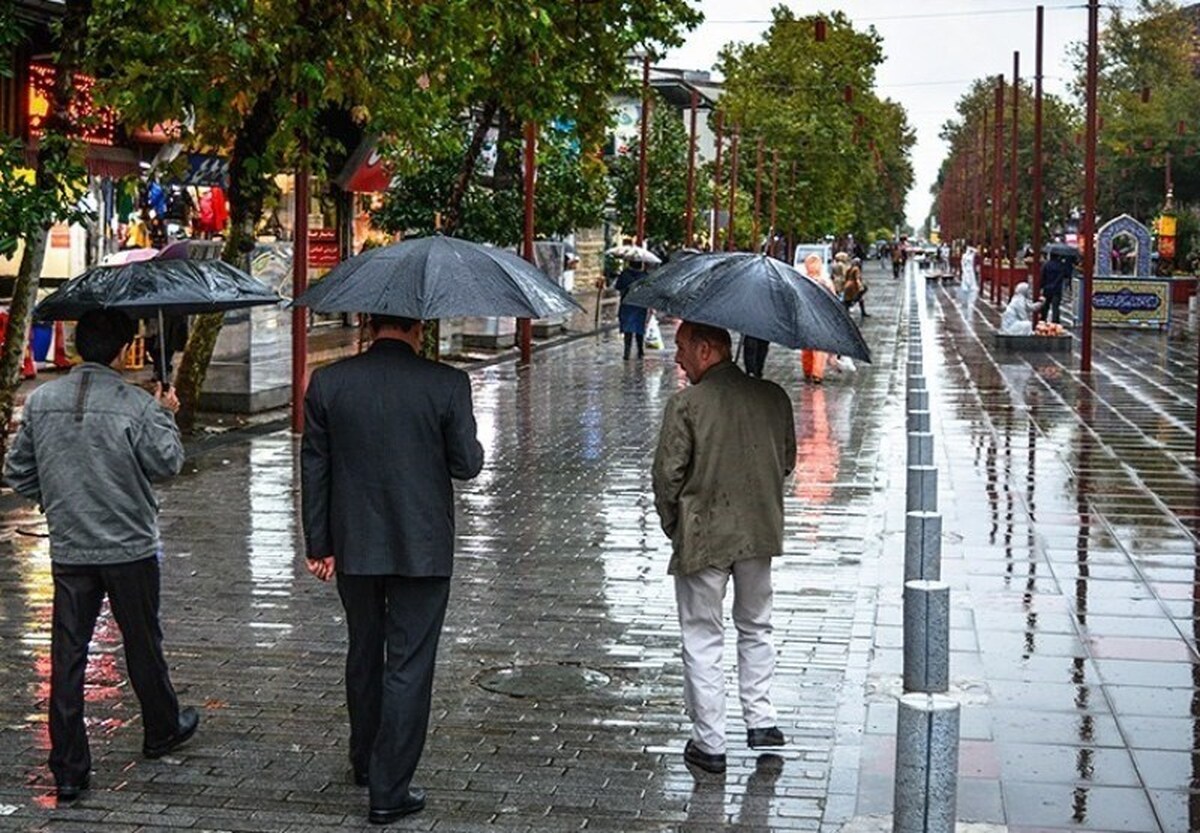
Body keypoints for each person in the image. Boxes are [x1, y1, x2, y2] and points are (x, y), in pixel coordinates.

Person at [3, 309, 197, 803]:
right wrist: (167, 415)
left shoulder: (43, 401)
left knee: (68, 655)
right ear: (119, 350)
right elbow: (167, 463)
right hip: (129, 545)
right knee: (142, 641)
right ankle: (161, 727)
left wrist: (57, 499)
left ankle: (68, 767)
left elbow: (18, 469)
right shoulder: (136, 404)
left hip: (71, 546)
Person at [301, 314, 484, 825]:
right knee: (408, 664)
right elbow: (466, 464)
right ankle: (389, 786)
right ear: (418, 329)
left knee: (364, 648)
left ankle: (365, 759)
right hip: (421, 549)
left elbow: (314, 466)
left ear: (368, 326)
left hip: (354, 545)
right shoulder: (446, 383)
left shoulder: (330, 383)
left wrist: (319, 543)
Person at [652, 321, 796, 775]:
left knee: (702, 636)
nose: (677, 358)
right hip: (759, 532)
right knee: (756, 625)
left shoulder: (687, 405)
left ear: (706, 349)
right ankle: (761, 719)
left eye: (681, 348)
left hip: (704, 535)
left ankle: (710, 743)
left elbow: (667, 478)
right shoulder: (774, 397)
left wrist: (675, 526)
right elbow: (787, 461)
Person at [800, 253, 835, 383]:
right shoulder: (825, 281)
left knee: (807, 346)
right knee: (819, 347)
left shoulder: (802, 280)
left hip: (806, 317)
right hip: (822, 318)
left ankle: (808, 370)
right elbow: (833, 300)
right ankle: (817, 373)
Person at [615, 261, 649, 360]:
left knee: (628, 328)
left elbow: (618, 286)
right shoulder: (644, 276)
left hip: (627, 304)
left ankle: (627, 351)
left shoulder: (624, 274)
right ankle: (640, 351)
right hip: (640, 304)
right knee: (639, 328)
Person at [1039, 254, 1070, 324]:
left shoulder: (1046, 265)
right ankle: (1055, 322)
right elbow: (1066, 274)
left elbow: (1042, 276)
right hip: (1057, 288)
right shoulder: (1061, 265)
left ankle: (1042, 320)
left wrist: (1041, 286)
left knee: (1045, 305)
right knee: (1055, 306)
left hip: (1047, 288)